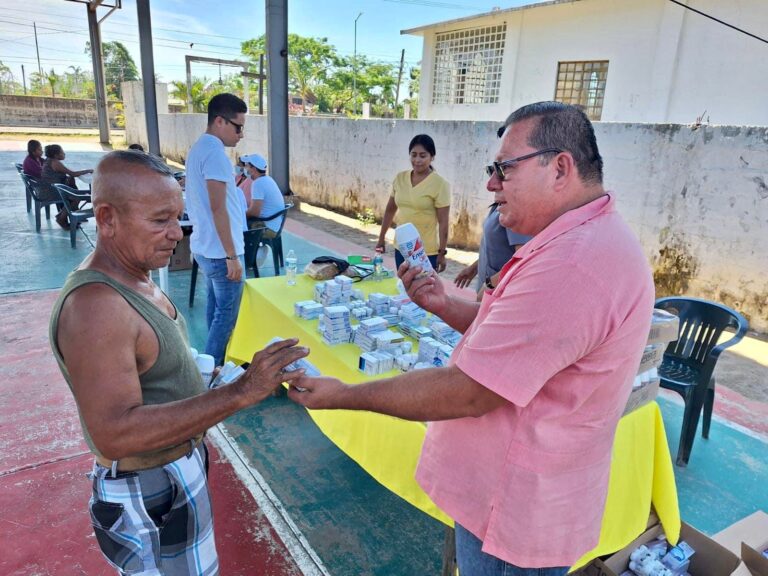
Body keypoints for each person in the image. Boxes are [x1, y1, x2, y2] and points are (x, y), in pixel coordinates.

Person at [289, 102, 655, 575]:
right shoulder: (572, 242)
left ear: (560, 167)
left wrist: (344, 395)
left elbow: (469, 391)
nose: (491, 184)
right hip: (507, 499)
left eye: (503, 169)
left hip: (512, 513)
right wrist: (444, 305)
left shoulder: (574, 263)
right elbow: (511, 332)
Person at [49, 150, 309, 575]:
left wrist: (241, 376)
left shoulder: (135, 277)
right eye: (160, 221)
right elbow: (114, 434)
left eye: (178, 217)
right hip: (147, 490)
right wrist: (240, 393)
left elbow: (168, 362)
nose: (178, 232)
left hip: (174, 470)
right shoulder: (96, 307)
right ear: (107, 218)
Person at [185, 93, 248, 366]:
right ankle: (209, 373)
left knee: (215, 309)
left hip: (207, 247)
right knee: (227, 315)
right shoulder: (215, 155)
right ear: (220, 121)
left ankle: (208, 366)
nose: (241, 134)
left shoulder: (200, 149)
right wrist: (231, 256)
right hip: (221, 251)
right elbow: (217, 208)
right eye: (238, 127)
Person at [376, 134, 451, 273]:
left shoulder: (440, 184)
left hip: (425, 251)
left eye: (423, 156)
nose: (417, 160)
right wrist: (381, 238)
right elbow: (390, 210)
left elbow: (443, 223)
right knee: (404, 287)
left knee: (423, 291)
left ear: (432, 157)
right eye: (413, 155)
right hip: (401, 247)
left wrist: (442, 253)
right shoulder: (400, 178)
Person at [40, 144, 93, 230]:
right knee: (76, 198)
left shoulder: (49, 160)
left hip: (50, 188)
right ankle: (61, 218)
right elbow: (73, 173)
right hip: (52, 192)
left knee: (73, 188)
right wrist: (88, 170)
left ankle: (72, 213)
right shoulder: (55, 163)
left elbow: (69, 174)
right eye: (62, 152)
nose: (64, 154)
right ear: (55, 155)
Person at [240, 153, 285, 238]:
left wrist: (240, 215)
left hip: (267, 228)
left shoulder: (258, 184)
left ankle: (252, 251)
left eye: (246, 166)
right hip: (273, 226)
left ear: (253, 169)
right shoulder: (268, 179)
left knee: (236, 228)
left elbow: (254, 213)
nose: (245, 168)